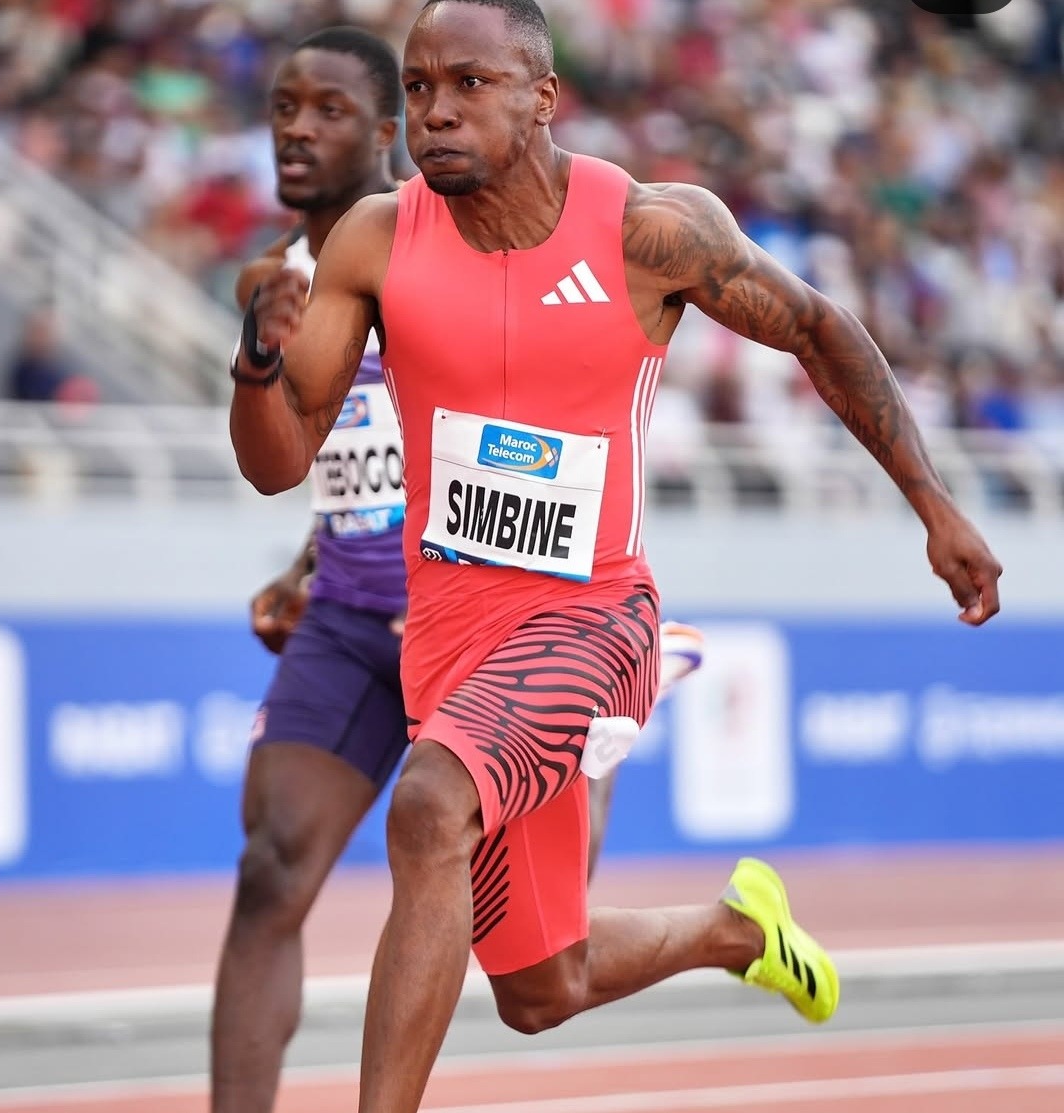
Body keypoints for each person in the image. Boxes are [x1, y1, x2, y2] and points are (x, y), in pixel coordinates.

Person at [228, 2, 1003, 1109]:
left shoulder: (649, 231)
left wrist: (935, 505)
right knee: (542, 987)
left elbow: (821, 330)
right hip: (449, 645)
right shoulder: (376, 239)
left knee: (429, 805)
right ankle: (736, 931)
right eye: (420, 87)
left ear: (543, 97)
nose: (436, 111)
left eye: (470, 85)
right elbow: (277, 463)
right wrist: (257, 362)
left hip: (590, 620)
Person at [213, 23, 703, 1113]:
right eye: (282, 108)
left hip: (514, 615)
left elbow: (502, 427)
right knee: (276, 874)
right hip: (357, 610)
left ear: (387, 129)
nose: (297, 130)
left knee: (516, 917)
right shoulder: (286, 275)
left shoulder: (455, 232)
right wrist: (304, 557)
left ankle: (616, 691)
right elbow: (339, 447)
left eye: (329, 110)